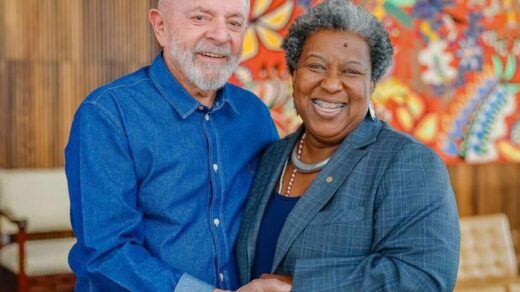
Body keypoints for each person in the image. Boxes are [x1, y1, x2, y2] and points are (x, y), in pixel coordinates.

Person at [64, 0, 292, 291]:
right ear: (160, 27)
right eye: (201, 17)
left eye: (234, 23)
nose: (221, 36)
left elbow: (271, 217)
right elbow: (107, 253)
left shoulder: (255, 115)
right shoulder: (107, 114)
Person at [236, 0, 461, 291]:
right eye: (315, 66)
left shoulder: (407, 161)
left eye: (351, 72)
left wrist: (296, 287)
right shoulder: (272, 157)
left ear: (372, 85)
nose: (331, 84)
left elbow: (422, 278)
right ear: (293, 75)